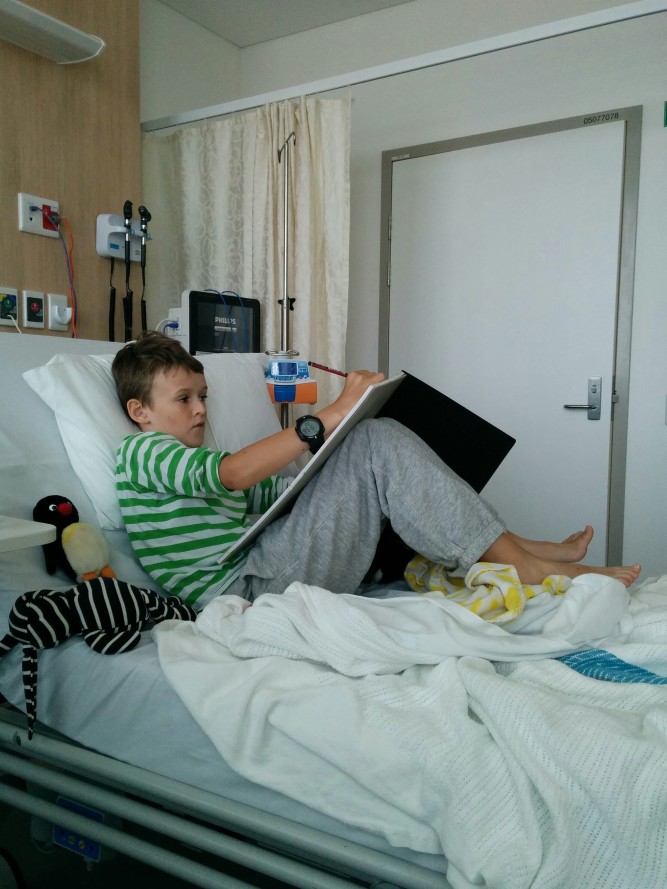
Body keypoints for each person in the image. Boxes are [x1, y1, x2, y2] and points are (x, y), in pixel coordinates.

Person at [112, 331, 641, 607]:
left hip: (266, 565)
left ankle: (524, 550)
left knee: (368, 448)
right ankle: (523, 564)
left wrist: (332, 464)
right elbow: (235, 474)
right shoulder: (143, 453)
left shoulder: (195, 463)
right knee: (372, 440)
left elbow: (278, 497)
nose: (200, 410)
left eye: (203, 396)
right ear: (140, 411)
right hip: (248, 589)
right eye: (184, 399)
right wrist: (332, 415)